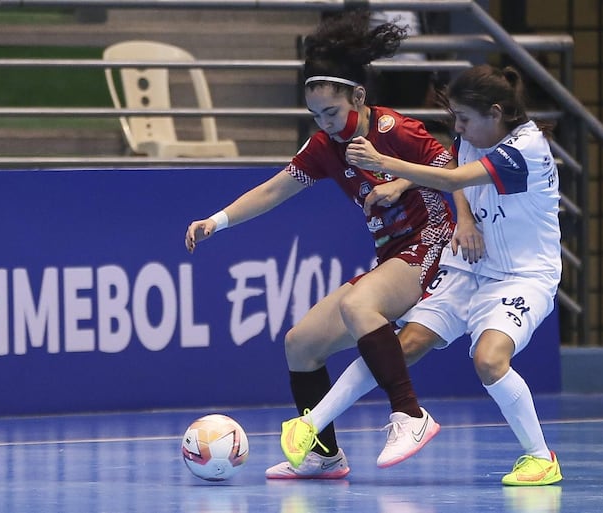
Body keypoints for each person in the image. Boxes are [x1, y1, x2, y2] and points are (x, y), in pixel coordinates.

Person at [184, 9, 480, 480]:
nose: (325, 122)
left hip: (432, 243)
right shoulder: (324, 146)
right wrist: (216, 221)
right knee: (300, 345)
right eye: (316, 114)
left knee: (360, 305)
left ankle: (410, 415)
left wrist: (440, 205)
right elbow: (273, 189)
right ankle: (324, 455)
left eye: (332, 112)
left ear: (357, 97)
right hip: (392, 256)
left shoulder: (395, 131)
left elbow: (453, 166)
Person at [282, 64, 563, 486]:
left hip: (523, 276)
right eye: (455, 120)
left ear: (497, 112)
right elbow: (460, 172)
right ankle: (310, 426)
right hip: (471, 266)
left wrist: (384, 165)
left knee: (488, 360)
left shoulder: (526, 148)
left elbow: (454, 177)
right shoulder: (472, 138)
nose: (459, 129)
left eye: (464, 119)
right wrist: (462, 219)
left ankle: (541, 458)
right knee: (403, 345)